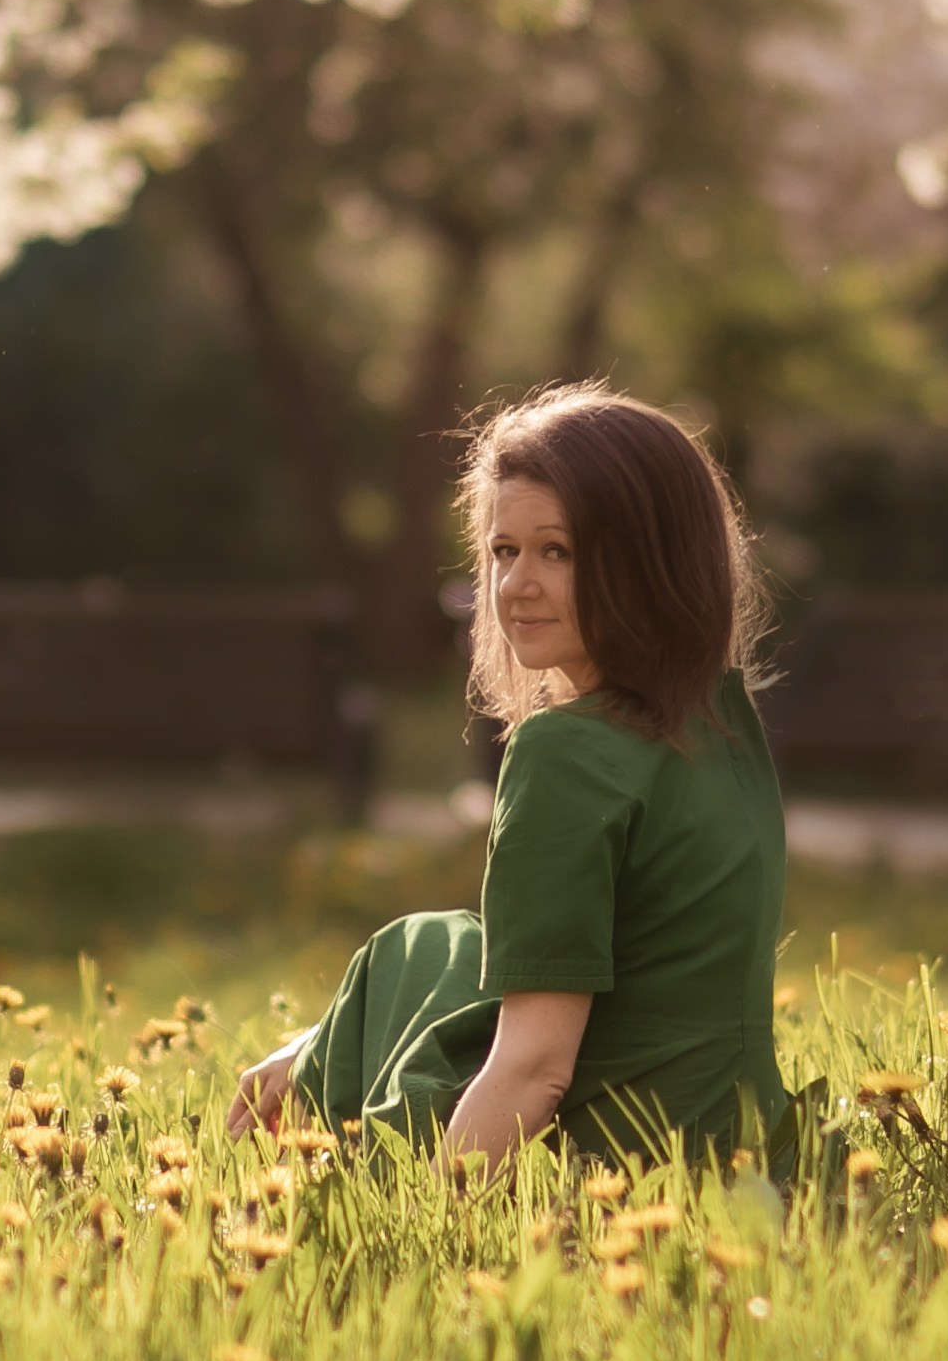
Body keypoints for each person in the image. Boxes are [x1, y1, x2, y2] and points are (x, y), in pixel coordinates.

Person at [225, 381, 792, 1169]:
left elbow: (535, 1067)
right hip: (749, 1146)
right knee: (428, 949)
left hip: (626, 1173)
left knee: (418, 962)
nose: (516, 586)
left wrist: (430, 1229)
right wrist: (326, 1033)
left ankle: (316, 1166)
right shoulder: (720, 725)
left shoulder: (566, 753)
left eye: (557, 552)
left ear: (647, 560)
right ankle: (319, 1090)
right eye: (503, 551)